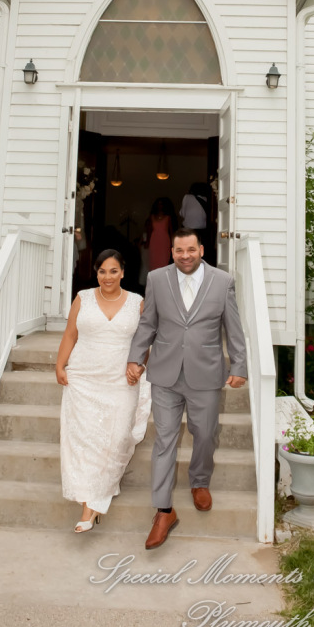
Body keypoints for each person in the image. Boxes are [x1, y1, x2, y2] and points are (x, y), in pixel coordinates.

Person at [126, 228, 247, 550]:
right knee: (165, 439)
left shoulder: (222, 282)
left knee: (205, 434)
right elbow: (148, 323)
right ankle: (163, 510)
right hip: (165, 373)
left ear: (201, 249)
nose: (185, 256)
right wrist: (136, 358)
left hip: (206, 374)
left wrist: (239, 365)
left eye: (190, 250)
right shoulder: (157, 279)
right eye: (179, 251)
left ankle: (200, 480)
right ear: (172, 252)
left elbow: (233, 327)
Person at [56, 249, 150, 532]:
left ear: (123, 272)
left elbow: (145, 341)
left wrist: (140, 366)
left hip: (121, 379)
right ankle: (90, 508)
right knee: (84, 441)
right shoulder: (83, 298)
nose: (107, 276)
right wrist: (60, 365)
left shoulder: (137, 303)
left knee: (117, 437)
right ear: (96, 273)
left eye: (113, 271)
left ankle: (96, 498)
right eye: (101, 271)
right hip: (84, 377)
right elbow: (71, 334)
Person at [143, 198, 174, 271]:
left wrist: (173, 243)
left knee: (164, 260)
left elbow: (171, 231)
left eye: (161, 204)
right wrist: (147, 242)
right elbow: (149, 230)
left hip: (164, 241)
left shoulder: (168, 217)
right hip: (154, 241)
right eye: (158, 204)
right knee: (154, 260)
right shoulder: (152, 217)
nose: (160, 206)